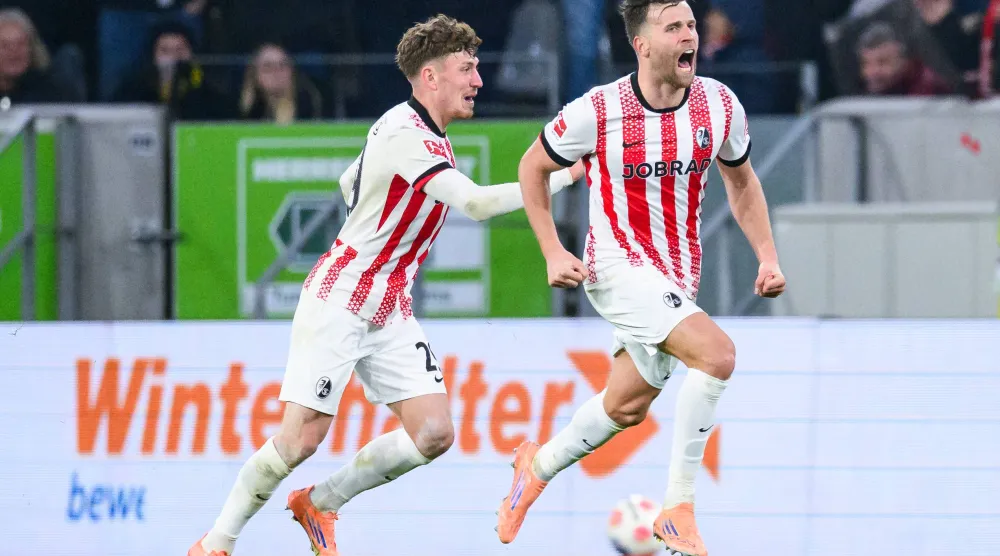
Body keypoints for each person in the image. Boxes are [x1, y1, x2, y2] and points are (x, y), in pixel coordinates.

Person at [188, 14, 583, 556]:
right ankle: (215, 542)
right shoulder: (405, 132)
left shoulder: (412, 130)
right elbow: (475, 203)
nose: (479, 81)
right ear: (430, 77)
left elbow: (348, 179)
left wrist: (368, 203)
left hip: (389, 307)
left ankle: (321, 502)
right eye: (467, 69)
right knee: (300, 439)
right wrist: (559, 176)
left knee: (434, 434)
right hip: (341, 298)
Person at [495, 2, 786, 555]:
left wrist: (767, 256)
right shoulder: (598, 110)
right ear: (642, 44)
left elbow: (742, 181)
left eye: (693, 25)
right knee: (718, 355)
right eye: (674, 27)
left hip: (677, 276)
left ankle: (536, 466)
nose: (690, 36)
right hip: (615, 266)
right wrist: (553, 251)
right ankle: (678, 508)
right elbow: (532, 166)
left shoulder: (720, 105)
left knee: (627, 407)